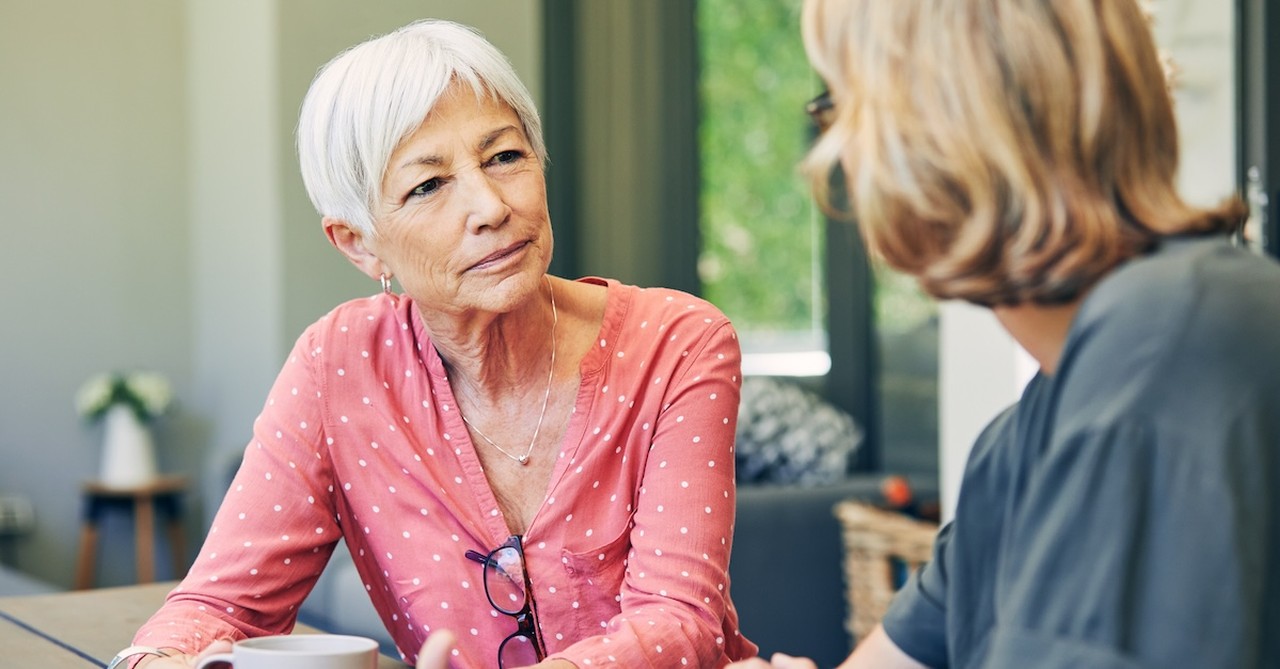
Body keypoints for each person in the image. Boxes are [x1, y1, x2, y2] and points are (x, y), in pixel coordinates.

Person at [110, 18, 757, 669]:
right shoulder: (338, 365)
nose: (490, 206)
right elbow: (225, 603)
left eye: (505, 156)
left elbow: (680, 620)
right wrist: (156, 658)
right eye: (428, 185)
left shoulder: (677, 342)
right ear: (360, 244)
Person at [732, 0, 1280, 667]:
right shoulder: (1017, 446)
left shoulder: (1169, 347)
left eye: (845, 108)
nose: (836, 151)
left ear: (943, 128)